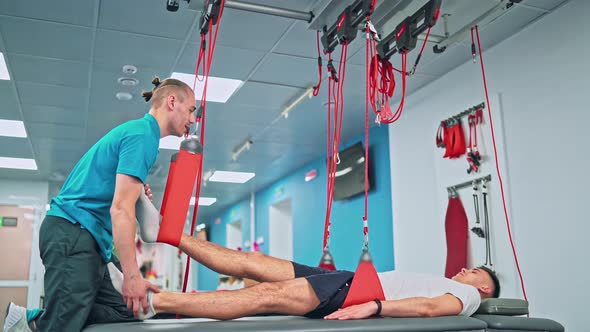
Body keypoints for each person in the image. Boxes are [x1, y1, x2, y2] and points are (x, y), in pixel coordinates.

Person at [3, 77, 197, 332]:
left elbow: (125, 205)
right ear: (172, 101)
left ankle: (37, 320)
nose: (193, 120)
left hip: (93, 239)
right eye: (192, 110)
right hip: (74, 231)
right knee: (64, 325)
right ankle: (42, 321)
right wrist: (131, 275)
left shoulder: (141, 135)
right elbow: (120, 209)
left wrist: (137, 192)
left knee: (129, 310)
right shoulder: (142, 136)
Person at [107, 229, 500, 321]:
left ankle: (153, 302)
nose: (465, 269)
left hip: (357, 293)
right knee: (248, 262)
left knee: (261, 297)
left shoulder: (469, 298)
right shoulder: (458, 285)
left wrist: (374, 307)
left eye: (474, 271)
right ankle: (167, 232)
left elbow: (431, 308)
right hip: (350, 280)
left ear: (484, 287)